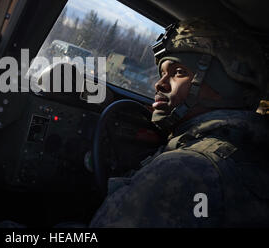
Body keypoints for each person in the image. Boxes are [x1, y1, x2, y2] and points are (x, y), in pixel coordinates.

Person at [90, 18, 269, 227]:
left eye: (178, 72)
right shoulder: (252, 151)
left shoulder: (184, 168)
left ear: (224, 87)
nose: (159, 84)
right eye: (162, 73)